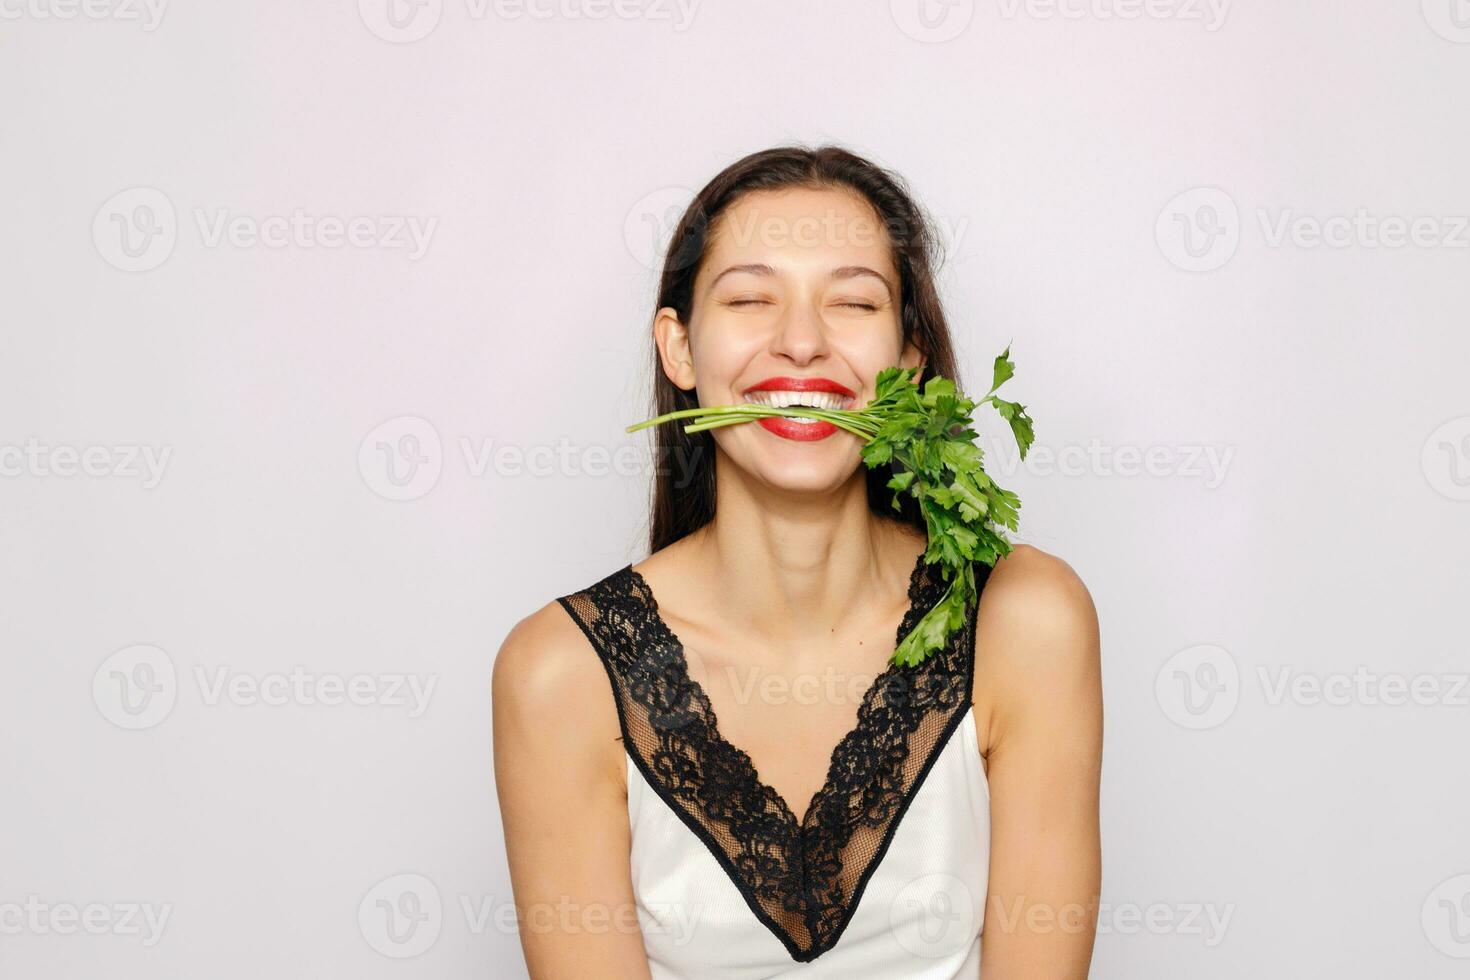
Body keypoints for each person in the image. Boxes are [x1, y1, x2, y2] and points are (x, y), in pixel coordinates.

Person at [493, 145, 1102, 979]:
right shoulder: (560, 673)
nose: (803, 343)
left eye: (852, 302)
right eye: (749, 298)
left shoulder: (1025, 620)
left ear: (910, 359)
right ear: (679, 350)